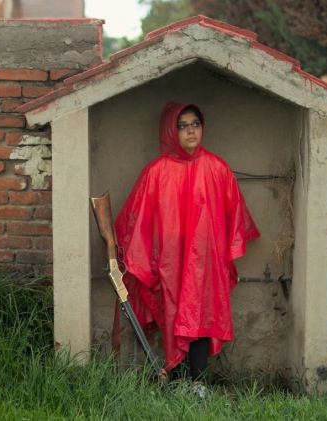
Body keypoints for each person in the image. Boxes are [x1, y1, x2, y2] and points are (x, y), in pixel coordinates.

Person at [114, 102, 260, 384]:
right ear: (171, 129)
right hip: (169, 262)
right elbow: (137, 219)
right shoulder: (156, 172)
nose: (191, 131)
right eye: (182, 126)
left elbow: (235, 217)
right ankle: (176, 379)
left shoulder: (217, 169)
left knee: (202, 315)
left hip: (205, 262)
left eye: (195, 124)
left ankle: (199, 383)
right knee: (173, 314)